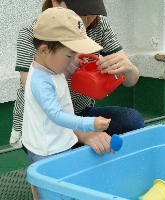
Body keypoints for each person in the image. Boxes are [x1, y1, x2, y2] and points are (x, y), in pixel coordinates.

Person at [10, 0, 145, 155]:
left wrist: (127, 68)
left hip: (79, 113)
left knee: (131, 120)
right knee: (61, 160)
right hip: (43, 124)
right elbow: (49, 110)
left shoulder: (98, 26)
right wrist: (85, 134)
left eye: (92, 12)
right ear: (55, 2)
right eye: (81, 12)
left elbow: (131, 81)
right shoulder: (36, 35)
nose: (86, 21)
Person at [23, 7, 111, 161]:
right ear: (44, 50)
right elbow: (56, 115)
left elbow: (59, 76)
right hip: (47, 148)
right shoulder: (40, 81)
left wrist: (72, 66)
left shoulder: (50, 67)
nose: (72, 60)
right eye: (69, 56)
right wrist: (90, 123)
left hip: (60, 138)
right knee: (49, 180)